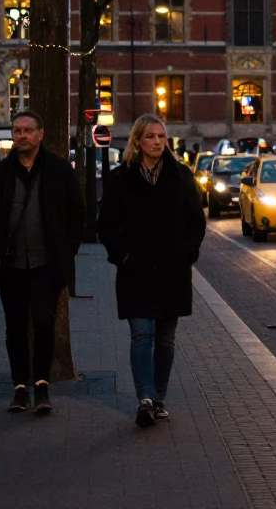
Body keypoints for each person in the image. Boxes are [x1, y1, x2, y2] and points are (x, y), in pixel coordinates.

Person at [0, 111, 84, 415]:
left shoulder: (59, 171)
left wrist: (68, 250)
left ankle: (43, 386)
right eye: (17, 130)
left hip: (47, 265)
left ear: (40, 134)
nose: (22, 135)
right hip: (10, 264)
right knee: (15, 327)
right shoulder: (0, 173)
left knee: (45, 324)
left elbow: (78, 213)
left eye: (28, 130)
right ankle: (20, 387)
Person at [97, 114, 206, 427]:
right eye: (150, 137)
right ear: (137, 141)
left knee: (165, 339)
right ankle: (145, 397)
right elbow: (106, 224)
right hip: (136, 272)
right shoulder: (121, 178)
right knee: (141, 333)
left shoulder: (180, 175)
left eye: (161, 136)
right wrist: (123, 256)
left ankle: (158, 397)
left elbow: (196, 221)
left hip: (172, 272)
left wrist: (187, 254)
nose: (157, 142)